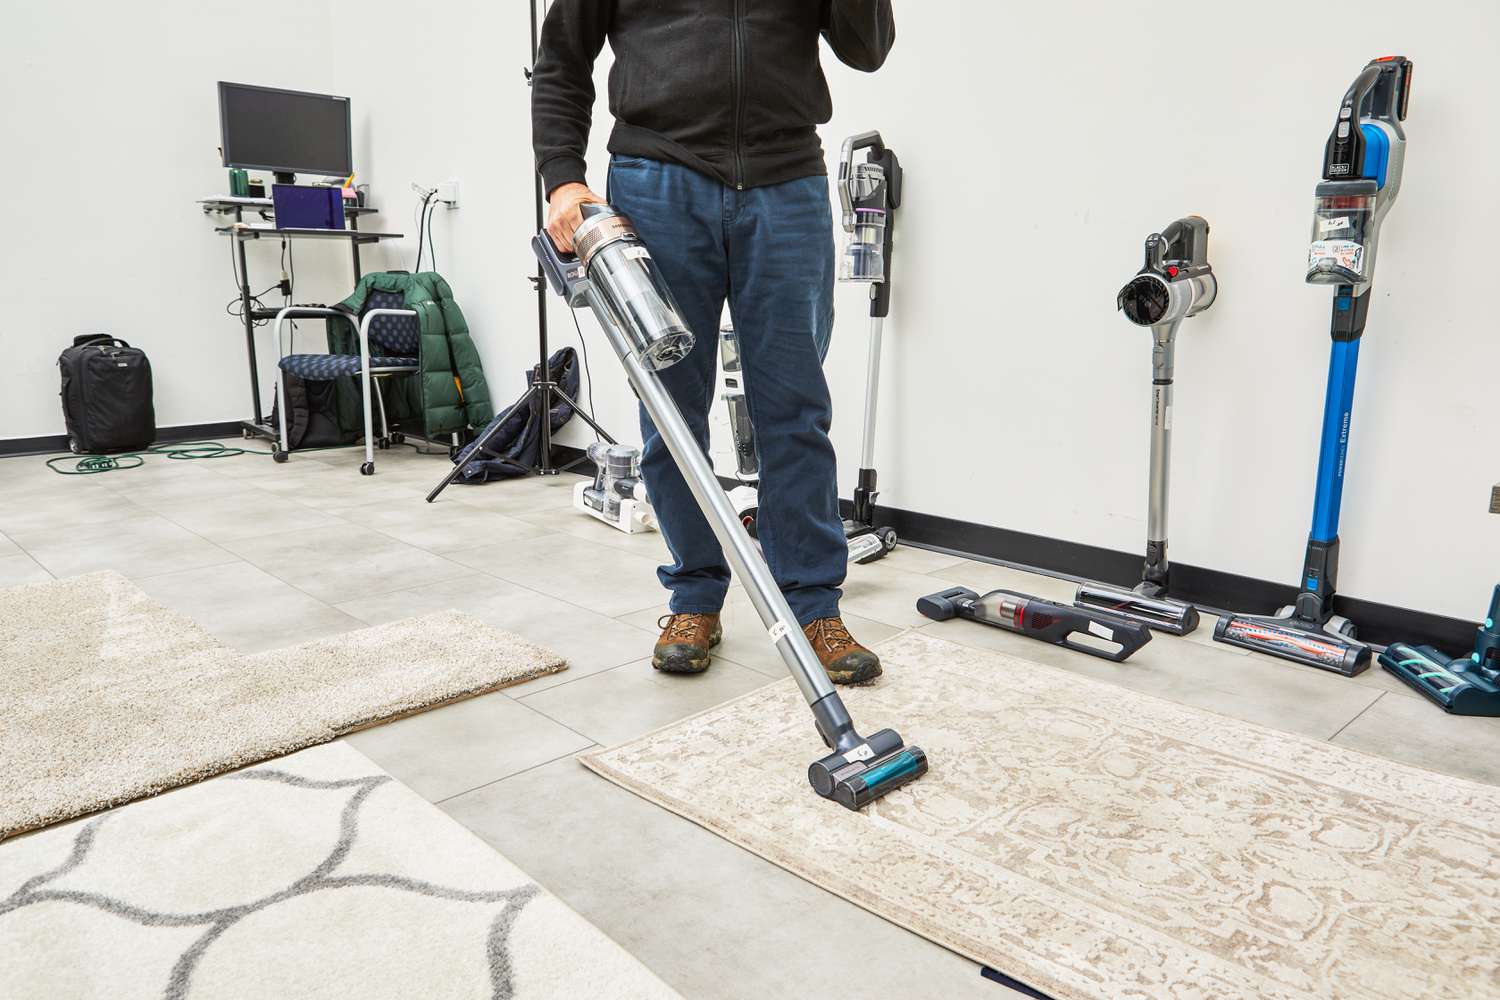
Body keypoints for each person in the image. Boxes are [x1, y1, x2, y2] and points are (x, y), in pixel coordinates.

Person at [532, 1, 896, 684]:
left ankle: (813, 605)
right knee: (671, 413)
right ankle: (695, 597)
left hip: (786, 182)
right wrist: (562, 175)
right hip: (656, 179)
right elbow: (561, 60)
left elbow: (866, 47)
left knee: (795, 410)